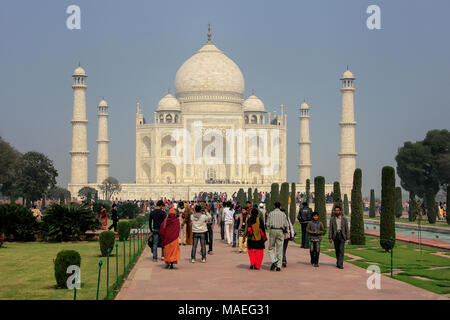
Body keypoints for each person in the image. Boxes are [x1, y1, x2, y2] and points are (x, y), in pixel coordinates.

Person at [266, 202, 289, 271]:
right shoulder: (283, 214)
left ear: (274, 206)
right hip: (280, 231)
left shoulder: (271, 213)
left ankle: (274, 260)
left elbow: (267, 224)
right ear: (280, 206)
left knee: (271, 248)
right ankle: (279, 266)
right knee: (280, 248)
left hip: (273, 230)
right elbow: (286, 224)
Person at [244, 205, 267, 270]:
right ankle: (257, 265)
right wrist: (264, 238)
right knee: (259, 252)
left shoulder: (249, 219)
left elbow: (246, 229)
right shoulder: (259, 219)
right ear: (257, 213)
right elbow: (263, 229)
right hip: (258, 238)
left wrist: (244, 237)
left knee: (251, 252)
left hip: (250, 238)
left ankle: (252, 263)